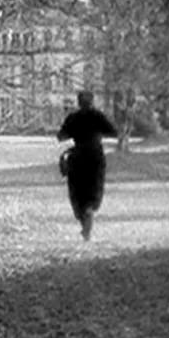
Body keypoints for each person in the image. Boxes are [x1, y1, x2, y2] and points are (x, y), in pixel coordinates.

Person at [57, 90, 117, 241]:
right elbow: (113, 131)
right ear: (92, 101)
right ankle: (89, 214)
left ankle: (85, 222)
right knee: (94, 188)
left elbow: (61, 136)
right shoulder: (98, 116)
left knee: (78, 191)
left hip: (77, 157)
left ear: (78, 102)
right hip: (95, 157)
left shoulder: (73, 118)